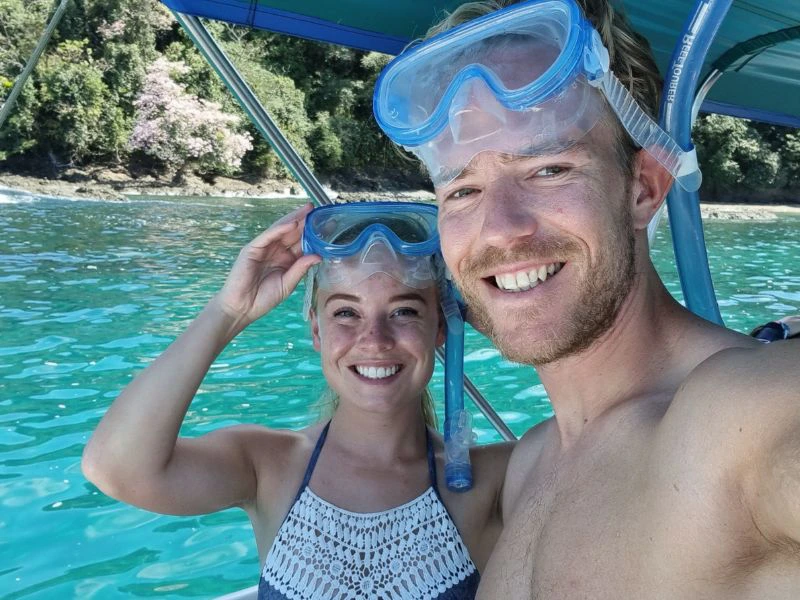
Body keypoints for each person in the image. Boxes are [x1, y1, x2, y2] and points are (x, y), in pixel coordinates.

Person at [373, 0, 800, 598]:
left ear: (643, 189)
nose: (499, 228)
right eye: (463, 189)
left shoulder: (739, 421)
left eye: (549, 169)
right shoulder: (531, 463)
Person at [81, 201, 512, 599]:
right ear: (316, 331)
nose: (374, 339)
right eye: (346, 312)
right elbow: (117, 468)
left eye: (405, 312)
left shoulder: (493, 479)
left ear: (442, 328)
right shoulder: (268, 465)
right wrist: (230, 311)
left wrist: (504, 319)